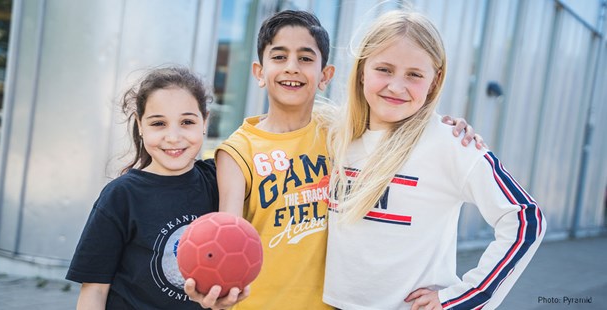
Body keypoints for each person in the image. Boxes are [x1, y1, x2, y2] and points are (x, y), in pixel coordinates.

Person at [185, 10, 483, 310]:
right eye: (278, 57)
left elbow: (395, 126)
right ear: (259, 72)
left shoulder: (342, 134)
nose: (292, 68)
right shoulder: (237, 151)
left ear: (326, 75)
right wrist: (219, 290)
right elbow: (229, 237)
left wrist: (448, 128)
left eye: (305, 58)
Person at [324, 10, 546, 310]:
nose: (396, 86)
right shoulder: (335, 135)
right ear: (362, 69)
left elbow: (525, 218)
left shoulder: (451, 143)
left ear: (434, 79)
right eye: (384, 69)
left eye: (414, 75)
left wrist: (466, 297)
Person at [65, 67, 240, 309]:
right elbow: (94, 291)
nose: (173, 136)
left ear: (205, 121)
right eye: (159, 123)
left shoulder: (220, 179)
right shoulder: (121, 196)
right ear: (140, 125)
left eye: (187, 122)